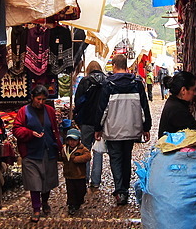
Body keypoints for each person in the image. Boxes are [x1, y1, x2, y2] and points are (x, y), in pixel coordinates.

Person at [94, 53, 151, 206]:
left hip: (113, 130)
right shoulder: (137, 84)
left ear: (113, 65)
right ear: (126, 66)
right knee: (126, 158)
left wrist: (98, 128)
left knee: (116, 159)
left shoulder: (108, 85)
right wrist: (146, 128)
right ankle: (124, 187)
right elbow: (144, 108)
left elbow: (102, 109)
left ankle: (120, 191)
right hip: (132, 129)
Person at [12, 85, 62, 222]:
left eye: (44, 99)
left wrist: (58, 145)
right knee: (34, 182)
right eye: (38, 99)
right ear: (32, 98)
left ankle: (45, 202)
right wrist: (30, 133)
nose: (41, 102)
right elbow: (16, 129)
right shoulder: (24, 111)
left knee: (47, 180)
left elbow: (54, 129)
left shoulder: (50, 111)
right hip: (31, 151)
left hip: (47, 150)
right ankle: (36, 208)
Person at [73, 60, 107, 190]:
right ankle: (96, 180)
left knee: (85, 149)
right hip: (101, 121)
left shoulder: (85, 81)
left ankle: (84, 177)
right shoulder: (106, 81)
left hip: (86, 120)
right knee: (98, 150)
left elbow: (79, 101)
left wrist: (77, 115)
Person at [157, 71, 196, 137]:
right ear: (183, 90)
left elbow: (187, 128)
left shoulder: (174, 103)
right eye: (193, 90)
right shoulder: (177, 109)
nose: (195, 93)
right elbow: (192, 137)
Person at [61, 128, 91, 215]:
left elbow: (88, 156)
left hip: (79, 175)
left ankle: (79, 201)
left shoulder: (82, 149)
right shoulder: (65, 149)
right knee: (71, 191)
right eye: (70, 140)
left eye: (74, 140)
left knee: (81, 190)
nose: (72, 142)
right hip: (69, 175)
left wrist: (77, 159)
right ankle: (71, 205)